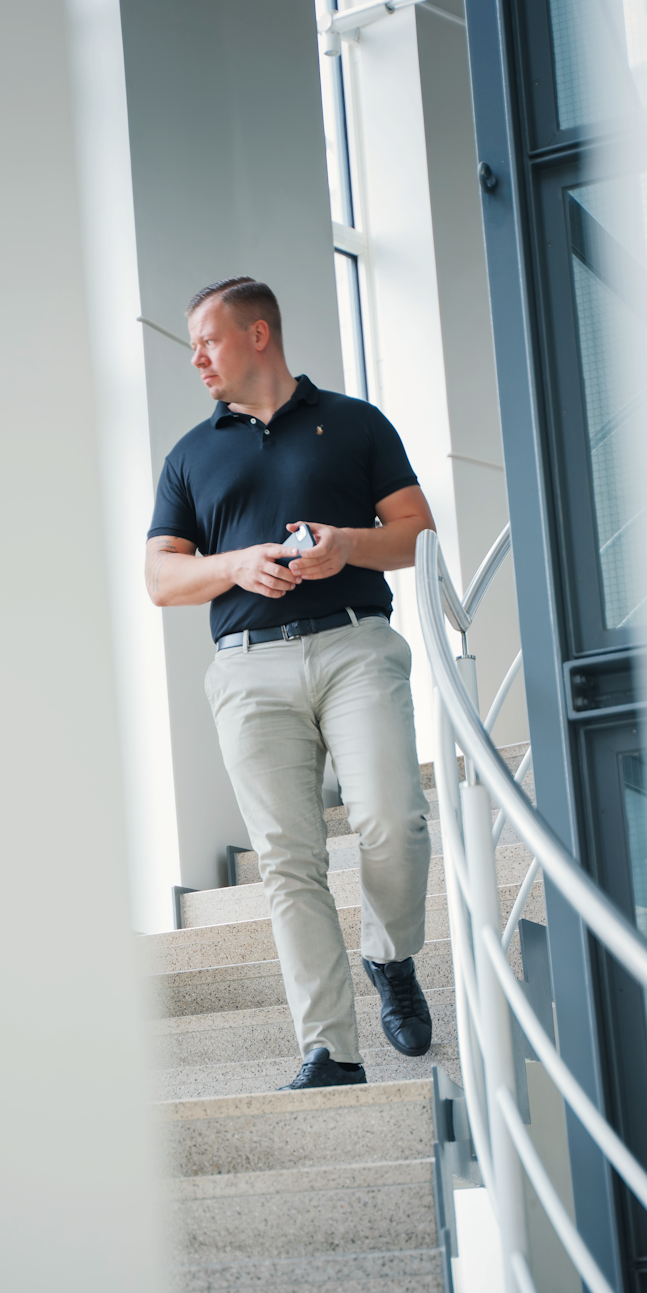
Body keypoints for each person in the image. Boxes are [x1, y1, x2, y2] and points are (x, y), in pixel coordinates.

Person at [145, 276, 435, 1091]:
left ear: (259, 334)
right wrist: (236, 563)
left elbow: (416, 534)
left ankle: (390, 954)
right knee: (287, 860)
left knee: (392, 818)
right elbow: (160, 578)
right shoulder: (191, 455)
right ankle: (331, 1051)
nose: (196, 357)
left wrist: (344, 543)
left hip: (353, 647)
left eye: (209, 339)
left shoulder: (353, 423)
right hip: (247, 667)